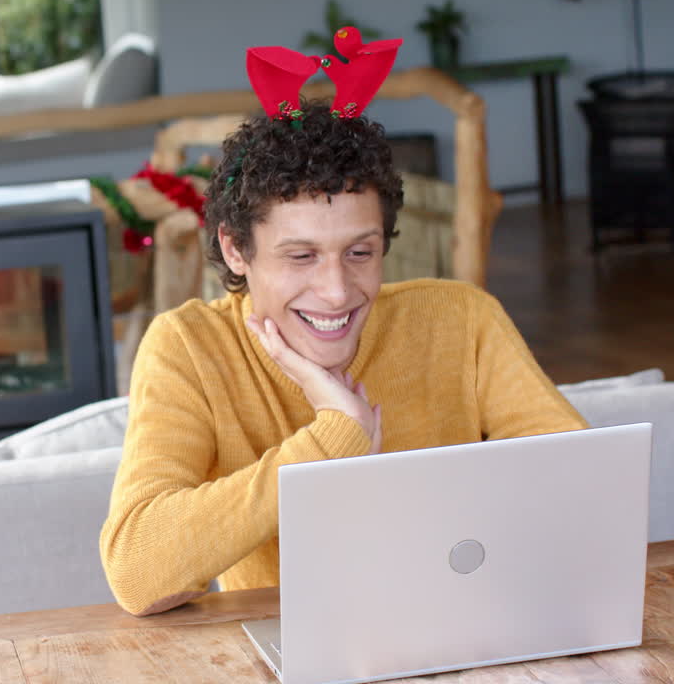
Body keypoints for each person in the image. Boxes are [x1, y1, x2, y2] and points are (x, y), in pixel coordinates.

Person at [98, 99, 587, 617]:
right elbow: (136, 574)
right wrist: (330, 442)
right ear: (237, 249)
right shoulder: (190, 349)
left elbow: (583, 493)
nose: (336, 292)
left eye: (360, 253)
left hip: (471, 623)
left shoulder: (461, 320)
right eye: (301, 256)